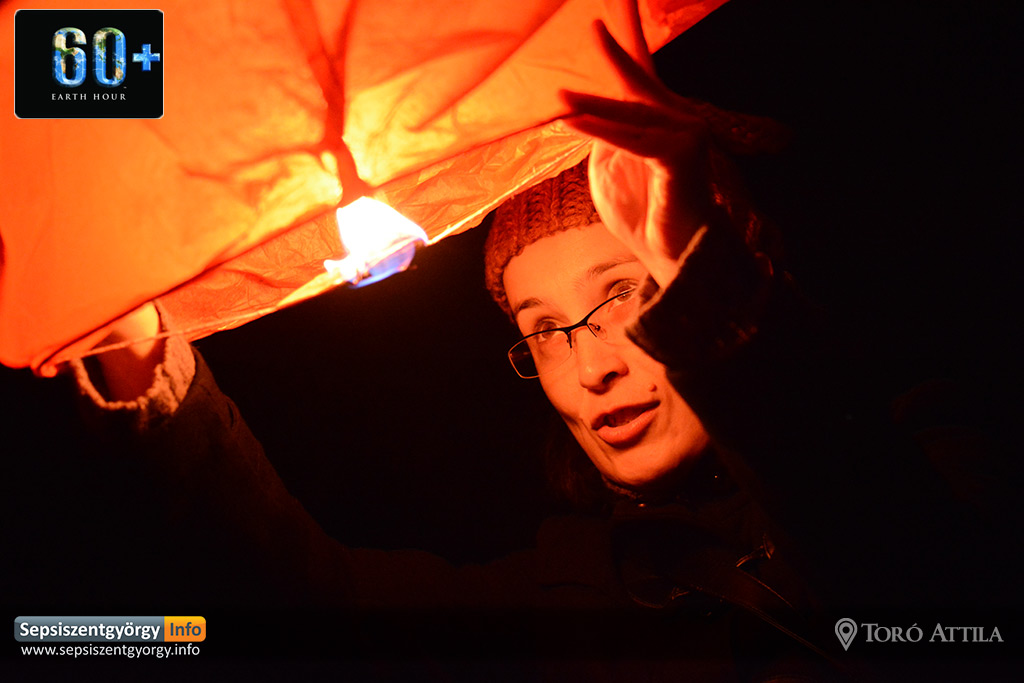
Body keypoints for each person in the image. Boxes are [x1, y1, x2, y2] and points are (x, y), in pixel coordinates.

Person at [63, 20, 1013, 683]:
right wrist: (135, 345)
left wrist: (700, 269)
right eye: (544, 328)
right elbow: (311, 603)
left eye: (624, 294)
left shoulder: (935, 460)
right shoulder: (568, 597)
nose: (591, 365)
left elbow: (920, 593)